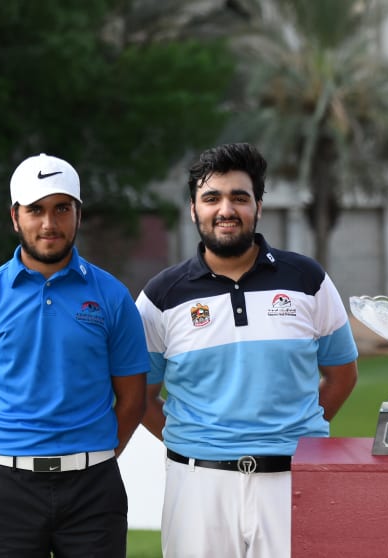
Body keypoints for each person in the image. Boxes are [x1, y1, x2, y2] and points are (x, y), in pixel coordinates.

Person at [136, 142, 359, 558]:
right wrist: (196, 441)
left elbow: (342, 374)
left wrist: (295, 432)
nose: (226, 209)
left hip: (293, 479)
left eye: (239, 197)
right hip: (197, 486)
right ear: (193, 209)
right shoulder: (160, 296)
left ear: (258, 205)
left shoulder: (307, 278)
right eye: (212, 198)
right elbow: (140, 397)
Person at [0, 153, 149, 556]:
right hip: (6, 492)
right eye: (35, 209)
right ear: (15, 216)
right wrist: (7, 455)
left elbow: (133, 400)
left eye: (62, 209)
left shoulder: (112, 296)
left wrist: (92, 455)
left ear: (78, 214)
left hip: (94, 490)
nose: (49, 223)